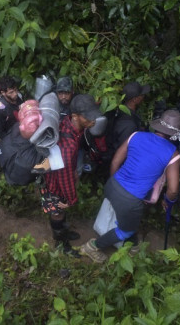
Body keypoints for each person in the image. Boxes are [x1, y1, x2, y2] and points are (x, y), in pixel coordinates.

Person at [80, 110, 180, 263]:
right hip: (131, 200)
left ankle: (133, 245)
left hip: (112, 185)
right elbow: (173, 190)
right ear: (175, 135)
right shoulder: (173, 154)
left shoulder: (136, 135)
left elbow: (115, 162)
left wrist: (117, 186)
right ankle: (92, 247)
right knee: (126, 230)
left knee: (129, 217)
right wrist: (168, 201)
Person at [40, 94, 102, 256]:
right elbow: (64, 178)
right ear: (75, 116)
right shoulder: (68, 146)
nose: (93, 120)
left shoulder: (69, 124)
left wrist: (74, 169)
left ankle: (63, 234)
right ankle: (61, 244)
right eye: (88, 117)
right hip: (54, 184)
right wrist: (71, 199)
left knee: (59, 211)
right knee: (58, 211)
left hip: (58, 175)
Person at [0, 75, 23, 143]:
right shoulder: (0, 109)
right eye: (11, 92)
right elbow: (1, 133)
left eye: (16, 90)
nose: (15, 94)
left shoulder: (19, 96)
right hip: (9, 131)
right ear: (3, 93)